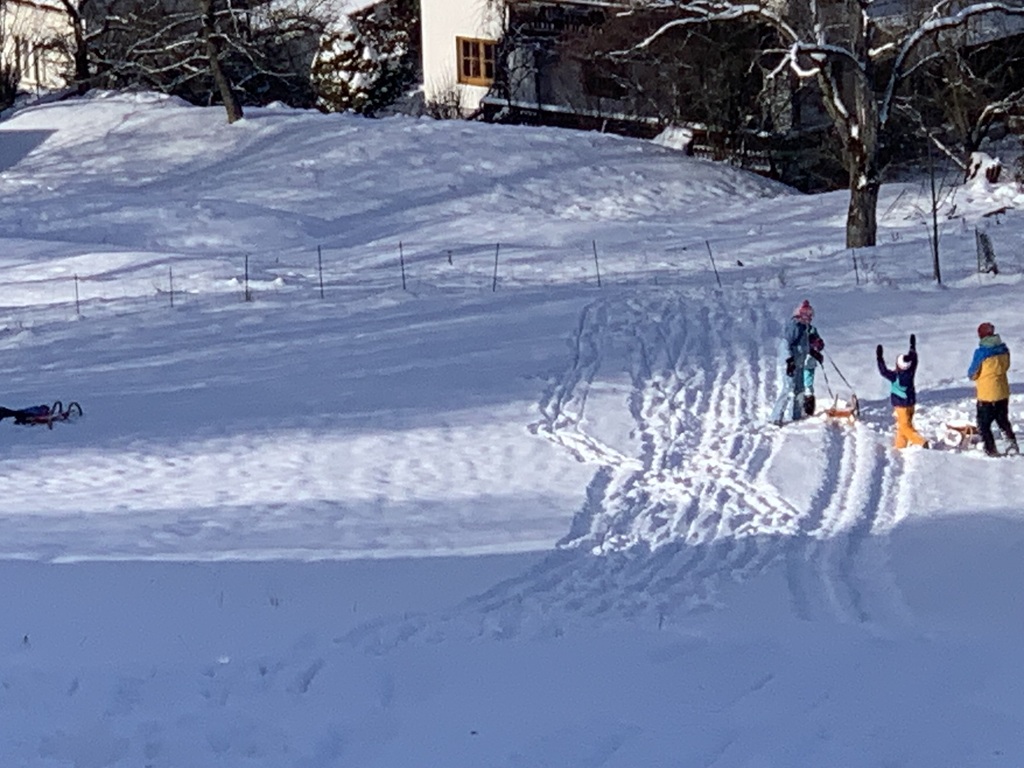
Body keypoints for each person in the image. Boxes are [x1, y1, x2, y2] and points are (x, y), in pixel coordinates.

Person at [968, 322, 1018, 457]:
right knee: (1003, 421)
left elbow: (972, 373)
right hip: (1002, 392)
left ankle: (991, 450)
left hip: (987, 395)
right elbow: (1005, 367)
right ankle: (1011, 444)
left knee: (983, 425)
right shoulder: (1004, 350)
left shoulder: (981, 353)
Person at [770, 299, 823, 425]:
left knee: (800, 389)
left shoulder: (805, 329)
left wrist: (813, 352)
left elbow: (803, 345)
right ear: (799, 314)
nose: (809, 317)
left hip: (799, 363)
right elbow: (785, 344)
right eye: (806, 314)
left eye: (810, 314)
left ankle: (797, 415)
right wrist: (788, 360)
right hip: (791, 364)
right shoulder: (794, 327)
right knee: (788, 388)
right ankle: (776, 417)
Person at [876, 334, 928, 449]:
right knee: (903, 425)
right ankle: (900, 446)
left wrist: (879, 357)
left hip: (900, 405)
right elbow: (914, 359)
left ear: (898, 366)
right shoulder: (911, 371)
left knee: (904, 427)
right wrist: (912, 347)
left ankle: (921, 442)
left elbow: (883, 371)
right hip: (911, 403)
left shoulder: (895, 376)